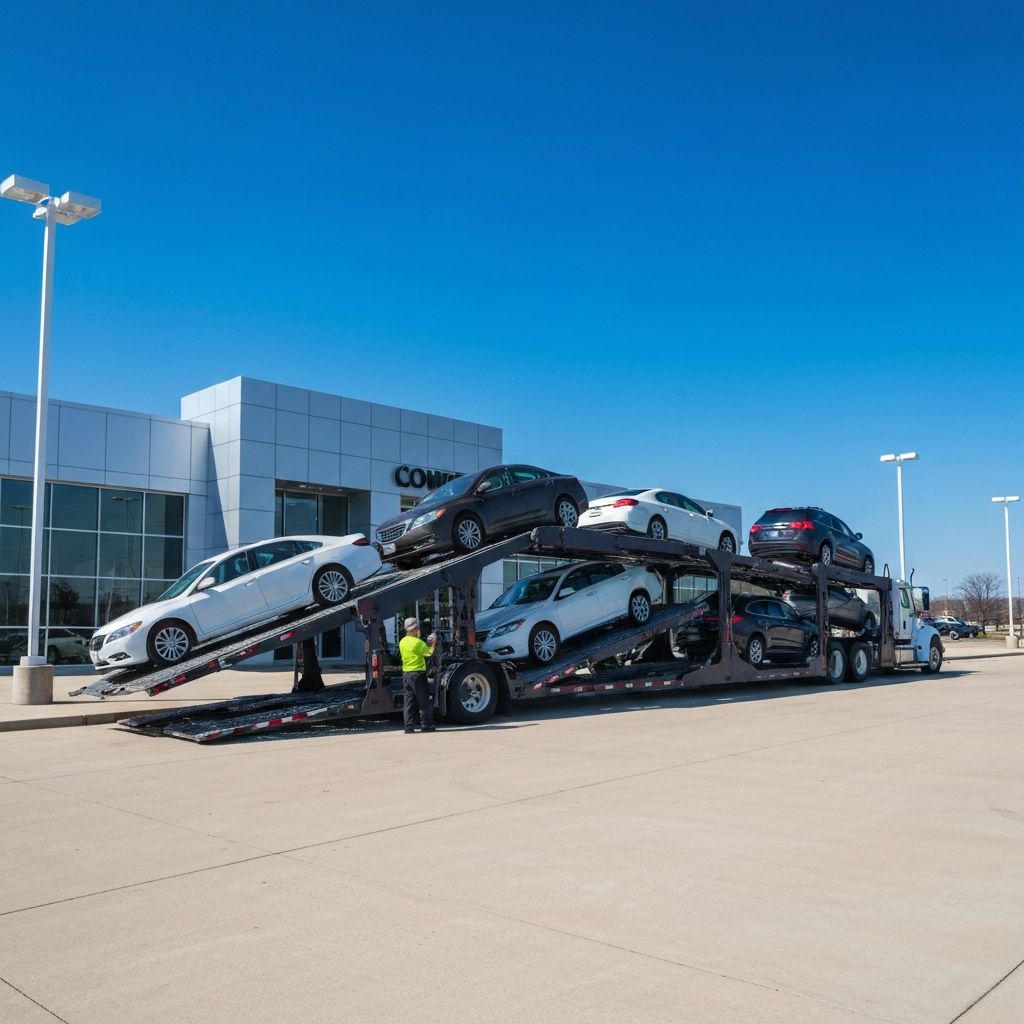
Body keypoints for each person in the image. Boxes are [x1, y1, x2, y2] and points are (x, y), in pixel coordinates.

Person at [399, 616, 437, 733]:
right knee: (424, 702)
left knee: (409, 702)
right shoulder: (418, 642)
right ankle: (426, 726)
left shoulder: (402, 642)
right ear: (415, 629)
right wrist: (433, 643)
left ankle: (408, 727)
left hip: (406, 675)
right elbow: (428, 653)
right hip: (418, 675)